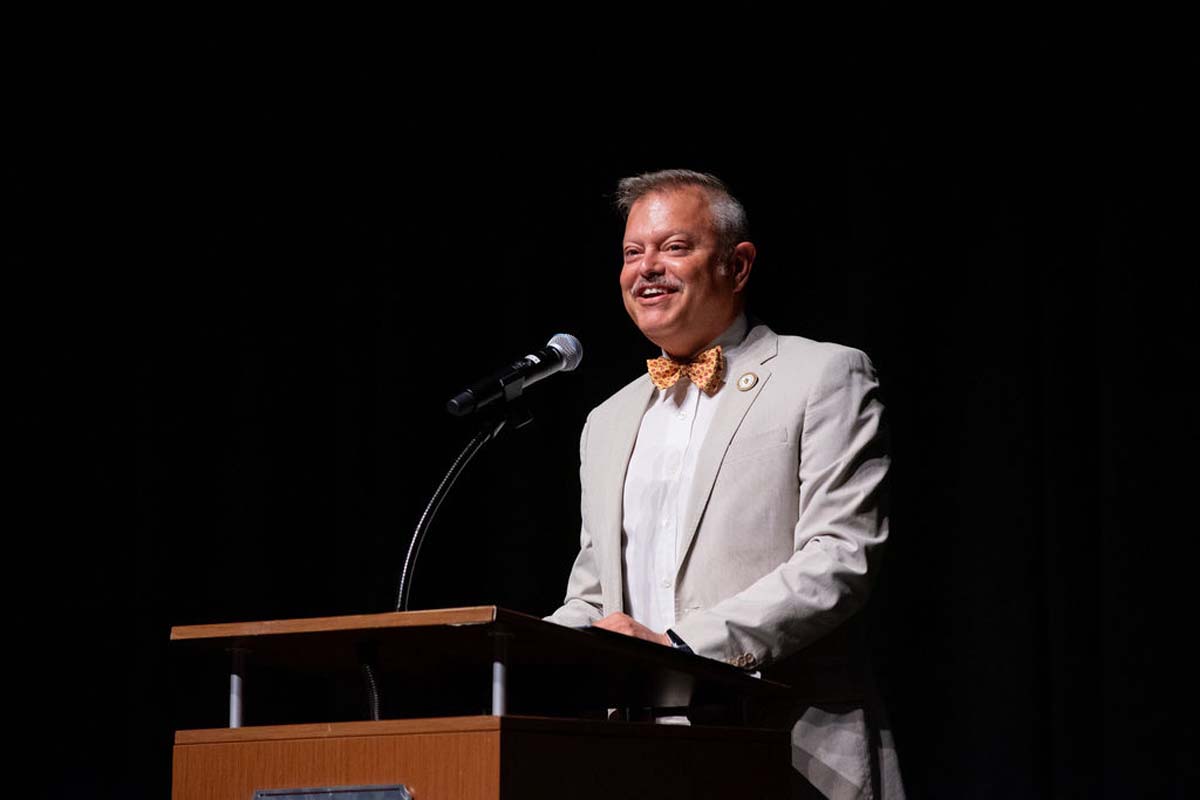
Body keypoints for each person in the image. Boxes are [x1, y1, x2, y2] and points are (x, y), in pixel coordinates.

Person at [544, 169, 904, 799]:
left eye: (674, 247)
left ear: (737, 267)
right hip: (632, 757)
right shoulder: (606, 421)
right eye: (633, 253)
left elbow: (841, 557)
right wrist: (530, 653)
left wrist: (680, 650)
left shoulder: (824, 374)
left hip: (787, 750)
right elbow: (596, 595)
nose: (646, 268)